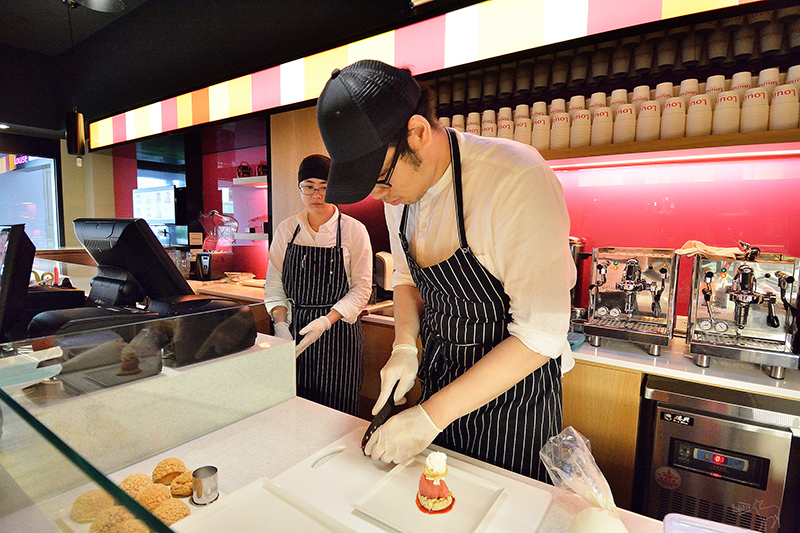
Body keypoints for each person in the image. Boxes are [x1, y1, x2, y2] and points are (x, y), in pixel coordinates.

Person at [316, 60, 576, 482]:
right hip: (438, 389)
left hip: (513, 405)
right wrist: (404, 345)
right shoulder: (399, 195)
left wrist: (429, 417)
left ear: (417, 134)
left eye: (380, 181)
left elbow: (541, 334)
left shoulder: (513, 178)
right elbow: (405, 279)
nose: (381, 196)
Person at [264, 154, 373, 416]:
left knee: (336, 411)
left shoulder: (353, 230)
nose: (317, 195)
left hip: (338, 335)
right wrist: (280, 325)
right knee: (292, 406)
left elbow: (361, 289)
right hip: (294, 328)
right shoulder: (287, 229)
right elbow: (274, 283)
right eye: (309, 186)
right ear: (300, 188)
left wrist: (326, 321)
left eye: (324, 187)